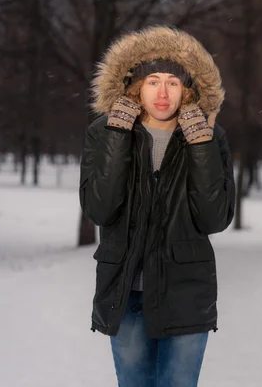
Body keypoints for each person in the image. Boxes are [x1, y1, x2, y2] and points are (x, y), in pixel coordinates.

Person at [79, 25, 235, 387]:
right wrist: (118, 136)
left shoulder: (211, 138)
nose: (163, 93)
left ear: (188, 89)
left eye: (173, 82)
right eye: (153, 81)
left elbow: (214, 217)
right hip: (126, 289)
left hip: (186, 289)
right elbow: (100, 210)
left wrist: (201, 146)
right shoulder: (104, 133)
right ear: (136, 86)